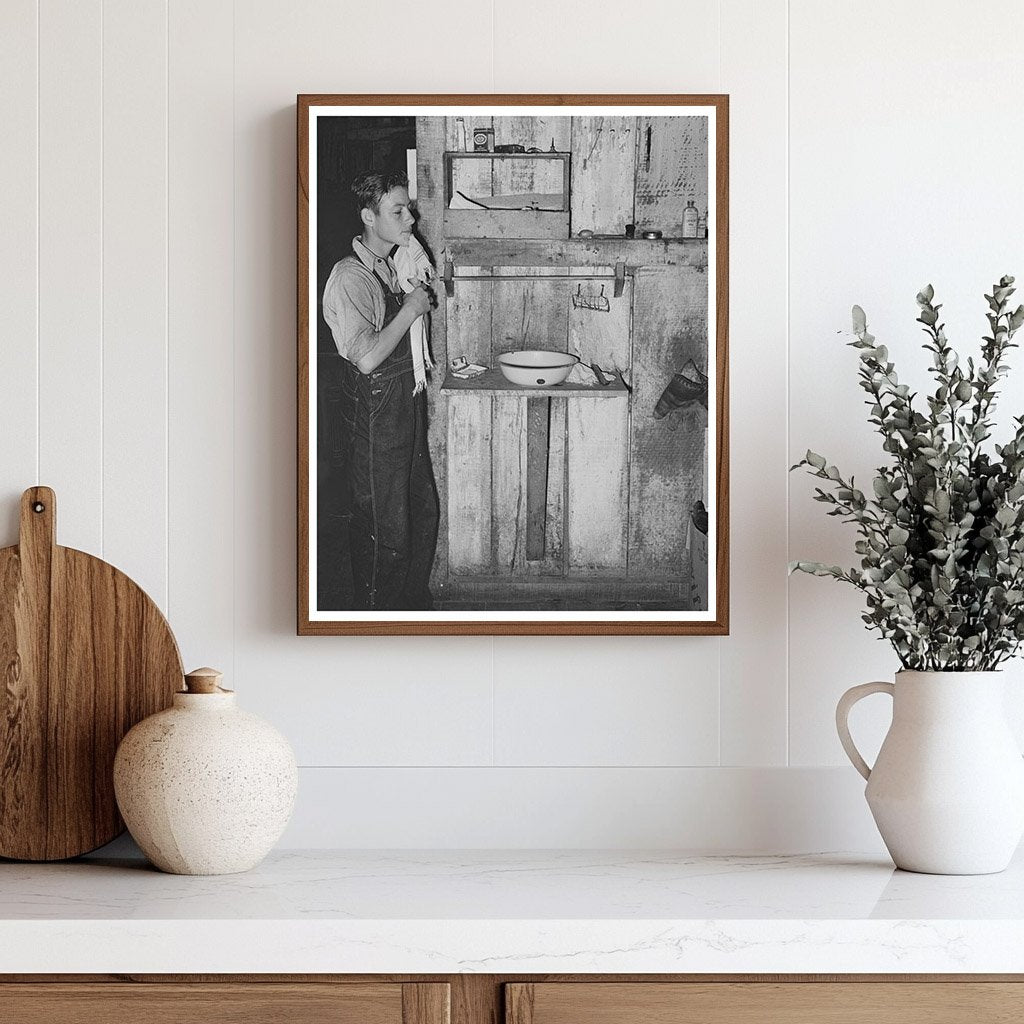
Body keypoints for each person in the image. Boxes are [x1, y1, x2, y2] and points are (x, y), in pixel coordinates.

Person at [322, 170, 439, 610]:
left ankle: (410, 610)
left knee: (420, 514)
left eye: (408, 208)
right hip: (374, 421)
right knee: (384, 533)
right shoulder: (350, 278)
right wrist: (410, 309)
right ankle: (376, 621)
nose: (410, 218)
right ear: (369, 217)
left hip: (404, 410)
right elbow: (367, 357)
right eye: (398, 211)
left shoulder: (392, 265)